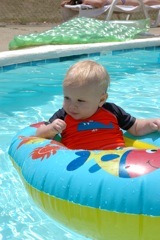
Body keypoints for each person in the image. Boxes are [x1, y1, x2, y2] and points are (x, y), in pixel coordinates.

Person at [36, 60, 160, 150]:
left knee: (132, 152)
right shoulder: (62, 115)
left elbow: (136, 127)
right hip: (82, 161)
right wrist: (51, 129)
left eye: (80, 101)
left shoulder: (112, 111)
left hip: (117, 156)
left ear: (101, 100)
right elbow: (39, 135)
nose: (72, 106)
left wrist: (152, 124)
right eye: (67, 98)